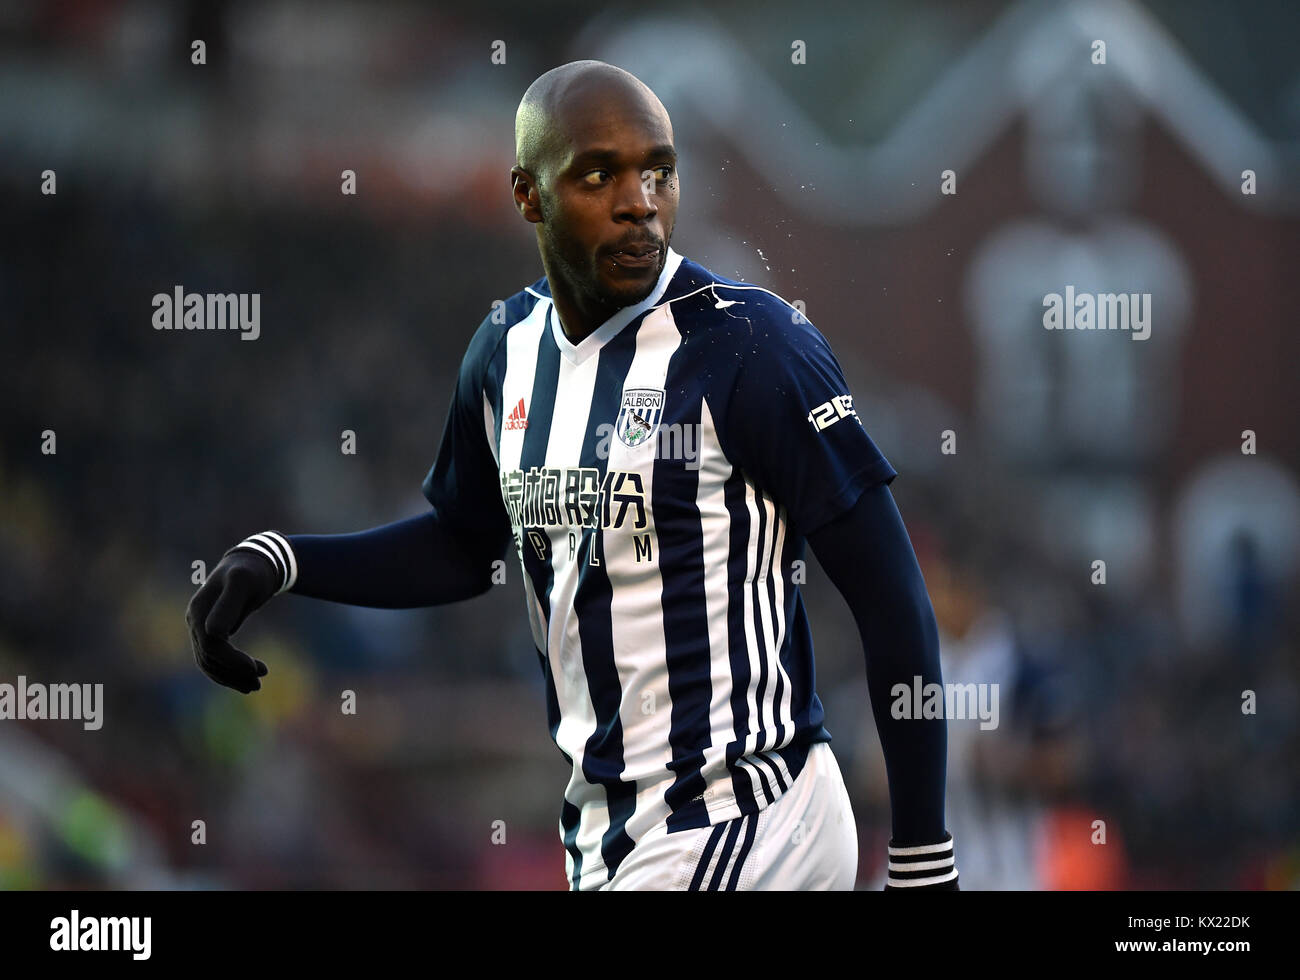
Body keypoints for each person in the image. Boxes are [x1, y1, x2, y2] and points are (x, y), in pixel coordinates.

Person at [187, 60, 959, 891]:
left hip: (745, 815)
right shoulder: (504, 351)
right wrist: (285, 561)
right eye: (600, 175)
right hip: (612, 839)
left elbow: (892, 598)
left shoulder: (752, 347)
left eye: (658, 170)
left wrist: (922, 855)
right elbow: (465, 545)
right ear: (528, 195)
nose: (640, 201)